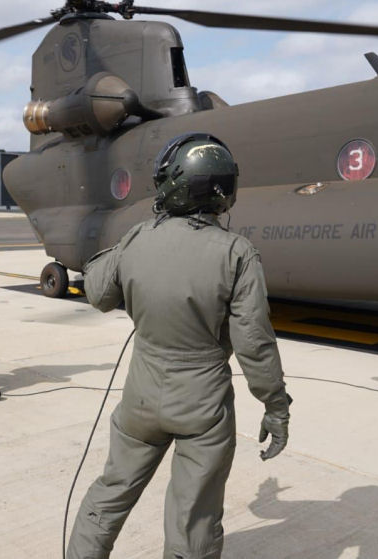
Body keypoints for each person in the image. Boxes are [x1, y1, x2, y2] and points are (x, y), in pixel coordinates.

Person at [67, 133, 292, 559]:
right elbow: (255, 343)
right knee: (193, 521)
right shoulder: (237, 253)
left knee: (110, 494)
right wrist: (275, 406)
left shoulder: (137, 238)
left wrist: (136, 239)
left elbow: (97, 292)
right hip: (202, 406)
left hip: (141, 399)